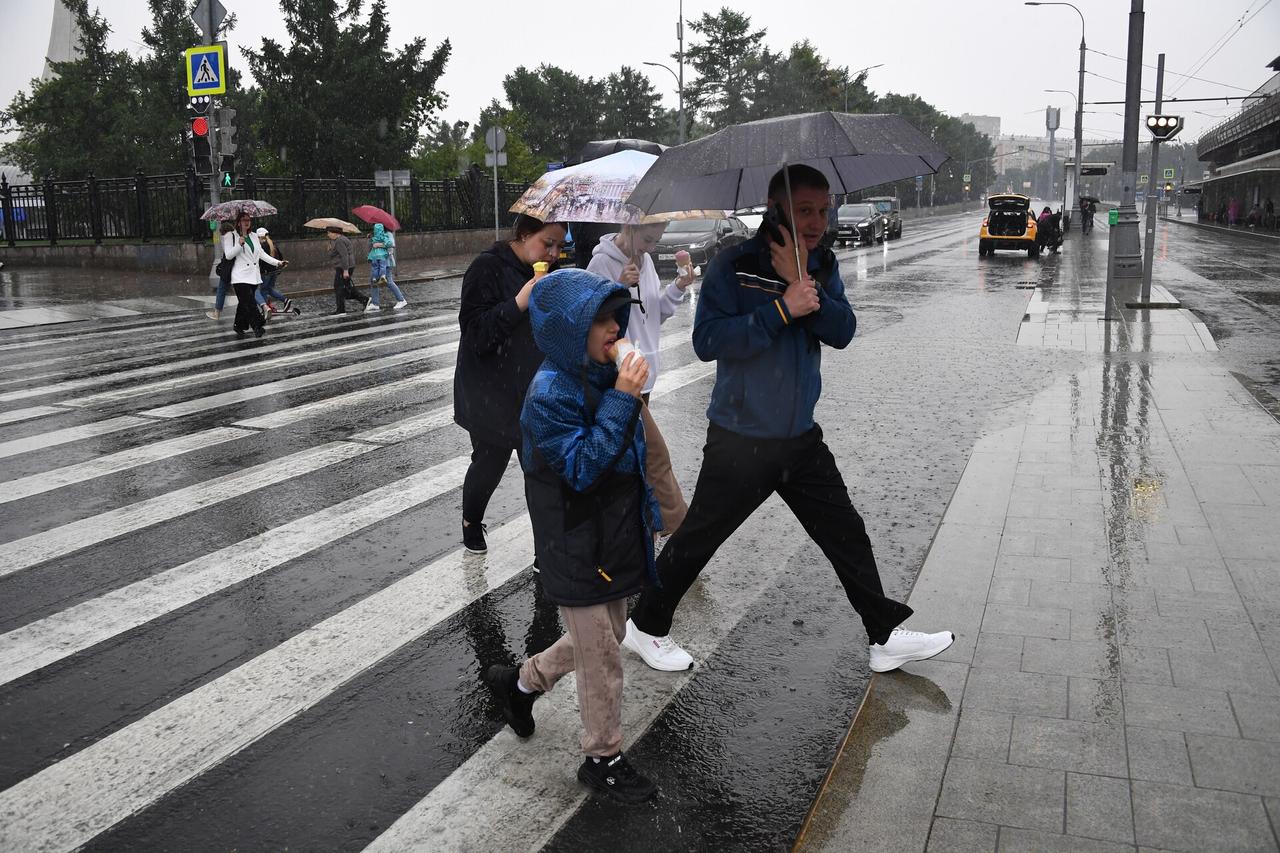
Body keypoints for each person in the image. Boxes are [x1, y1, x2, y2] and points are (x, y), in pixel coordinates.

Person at [622, 165, 953, 676]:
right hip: (742, 439)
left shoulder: (821, 263)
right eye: (804, 211)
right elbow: (708, 342)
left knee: (846, 532)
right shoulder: (733, 265)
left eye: (823, 210)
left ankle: (883, 635)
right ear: (776, 211)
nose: (818, 221)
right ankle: (645, 625)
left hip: (800, 438)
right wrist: (781, 308)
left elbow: (842, 331)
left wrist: (804, 288)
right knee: (697, 540)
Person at [482, 268, 660, 804]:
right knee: (603, 655)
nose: (614, 327)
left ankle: (521, 683)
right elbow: (583, 468)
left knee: (609, 629)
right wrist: (625, 399)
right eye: (599, 318)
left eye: (615, 316)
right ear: (568, 329)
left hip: (611, 536)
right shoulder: (549, 393)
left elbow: (634, 462)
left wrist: (648, 516)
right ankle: (602, 757)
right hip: (575, 540)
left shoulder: (602, 375)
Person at [453, 214, 567, 554]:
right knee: (489, 464)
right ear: (524, 234)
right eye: (548, 243)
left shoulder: (551, 274)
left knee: (540, 470)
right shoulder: (486, 267)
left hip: (533, 389)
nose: (555, 253)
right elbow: (476, 334)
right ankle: (471, 520)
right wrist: (519, 303)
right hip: (489, 392)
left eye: (561, 246)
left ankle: (544, 551)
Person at [586, 222, 695, 535]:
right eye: (647, 238)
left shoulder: (645, 262)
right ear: (628, 227)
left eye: (657, 239)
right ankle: (675, 532)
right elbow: (593, 319)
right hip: (620, 375)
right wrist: (618, 287)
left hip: (644, 375)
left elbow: (652, 313)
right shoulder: (601, 263)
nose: (650, 246)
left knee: (633, 455)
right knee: (652, 455)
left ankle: (632, 526)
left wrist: (678, 286)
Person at [223, 212, 285, 339]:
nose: (247, 222)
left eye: (249, 220)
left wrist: (278, 262)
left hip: (253, 276)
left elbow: (261, 254)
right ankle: (258, 325)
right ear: (238, 222)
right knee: (250, 302)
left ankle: (239, 325)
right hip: (239, 276)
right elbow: (229, 255)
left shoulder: (254, 236)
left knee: (243, 303)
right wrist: (239, 244)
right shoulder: (231, 235)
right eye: (243, 220)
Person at [253, 227, 297, 318]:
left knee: (263, 290)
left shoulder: (262, 246)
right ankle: (285, 300)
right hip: (275, 271)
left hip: (265, 273)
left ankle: (265, 310)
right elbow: (280, 256)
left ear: (259, 236)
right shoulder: (272, 243)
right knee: (269, 289)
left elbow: (261, 260)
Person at [366, 223, 408, 311]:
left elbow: (392, 246)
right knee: (374, 281)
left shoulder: (388, 234)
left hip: (386, 262)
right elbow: (371, 248)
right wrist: (370, 239)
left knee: (388, 281)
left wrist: (379, 245)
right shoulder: (374, 235)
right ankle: (375, 303)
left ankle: (401, 300)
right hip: (376, 261)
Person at [326, 226, 369, 313]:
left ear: (335, 233)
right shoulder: (341, 239)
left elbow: (344, 255)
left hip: (343, 267)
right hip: (346, 266)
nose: (328, 235)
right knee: (345, 288)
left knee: (338, 287)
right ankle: (365, 300)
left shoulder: (339, 241)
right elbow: (337, 254)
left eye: (329, 233)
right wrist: (330, 249)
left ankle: (341, 310)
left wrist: (345, 270)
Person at [206, 220, 235, 321]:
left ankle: (217, 313)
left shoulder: (227, 237)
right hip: (237, 265)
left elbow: (227, 254)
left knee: (221, 289)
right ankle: (263, 306)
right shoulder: (236, 235)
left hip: (227, 267)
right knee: (244, 289)